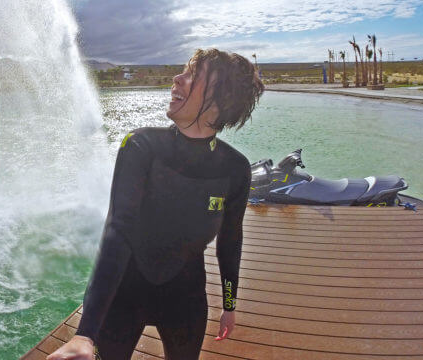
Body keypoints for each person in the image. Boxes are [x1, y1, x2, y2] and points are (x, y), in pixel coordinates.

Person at [47, 48, 264, 360]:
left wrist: (229, 305)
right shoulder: (140, 145)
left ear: (222, 98)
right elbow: (117, 232)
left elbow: (230, 241)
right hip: (125, 297)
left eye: (193, 75)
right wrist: (85, 333)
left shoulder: (235, 169)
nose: (177, 78)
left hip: (185, 300)